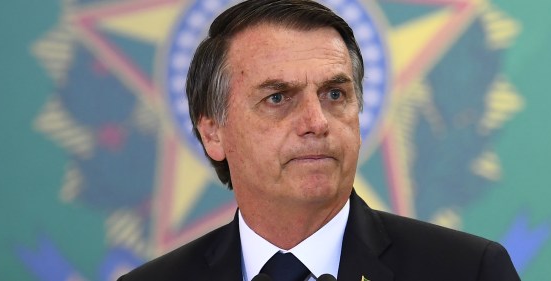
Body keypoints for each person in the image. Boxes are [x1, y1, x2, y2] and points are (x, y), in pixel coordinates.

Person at [119, 0, 521, 280]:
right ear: (213, 132)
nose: (316, 121)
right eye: (277, 98)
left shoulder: (467, 271)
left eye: (335, 94)